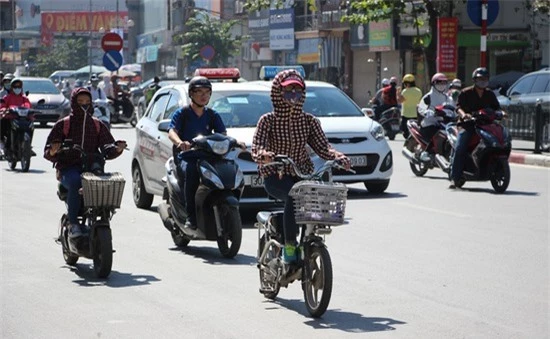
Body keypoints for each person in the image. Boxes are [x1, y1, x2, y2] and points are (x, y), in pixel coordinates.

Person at [251, 69, 350, 265]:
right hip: (275, 175)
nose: (293, 95)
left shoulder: (309, 121)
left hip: (302, 173)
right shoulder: (268, 120)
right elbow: (258, 146)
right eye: (288, 90)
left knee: (313, 198)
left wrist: (338, 156)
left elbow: (323, 148)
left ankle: (307, 240)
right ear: (278, 92)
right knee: (294, 196)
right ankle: (289, 246)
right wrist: (265, 156)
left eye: (297, 90)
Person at [44, 88, 126, 238]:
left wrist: (118, 148)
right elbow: (48, 151)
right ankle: (73, 223)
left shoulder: (97, 125)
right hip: (68, 168)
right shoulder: (64, 124)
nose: (84, 105)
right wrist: (54, 151)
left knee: (106, 184)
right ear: (74, 103)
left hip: (92, 168)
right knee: (76, 182)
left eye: (87, 102)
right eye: (80, 102)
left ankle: (101, 219)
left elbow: (108, 148)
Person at [168, 76, 235, 230]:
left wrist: (235, 142)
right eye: (199, 92)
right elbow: (172, 131)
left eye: (207, 92)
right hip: (187, 156)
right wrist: (180, 142)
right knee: (192, 172)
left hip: (207, 156)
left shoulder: (212, 115)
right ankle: (190, 216)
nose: (204, 95)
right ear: (191, 93)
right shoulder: (182, 113)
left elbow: (222, 134)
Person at [449, 67, 501, 189]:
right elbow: (458, 108)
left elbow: (496, 108)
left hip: (485, 125)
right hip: (467, 125)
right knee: (460, 147)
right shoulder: (465, 92)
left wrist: (501, 113)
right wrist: (464, 115)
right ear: (474, 80)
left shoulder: (490, 94)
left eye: (485, 79)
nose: (483, 81)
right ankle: (455, 177)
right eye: (480, 79)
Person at [417, 73, 455, 162]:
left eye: (444, 82)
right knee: (436, 134)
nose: (441, 85)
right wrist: (427, 112)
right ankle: (426, 152)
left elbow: (453, 108)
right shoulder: (428, 97)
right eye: (439, 82)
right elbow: (420, 108)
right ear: (433, 83)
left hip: (443, 123)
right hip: (429, 123)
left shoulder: (447, 97)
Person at [0, 78, 32, 154]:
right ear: (12, 87)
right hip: (10, 118)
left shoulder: (24, 98)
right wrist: (5, 109)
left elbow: (28, 105)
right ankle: (5, 145)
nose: (17, 88)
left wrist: (29, 109)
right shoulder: (7, 97)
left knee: (31, 126)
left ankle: (28, 146)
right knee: (3, 123)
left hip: (22, 118)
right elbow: (2, 105)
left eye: (19, 87)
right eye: (15, 87)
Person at [397, 74, 423, 139]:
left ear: (407, 84)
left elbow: (400, 101)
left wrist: (397, 94)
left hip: (406, 115)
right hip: (416, 115)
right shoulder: (418, 91)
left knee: (405, 132)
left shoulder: (405, 91)